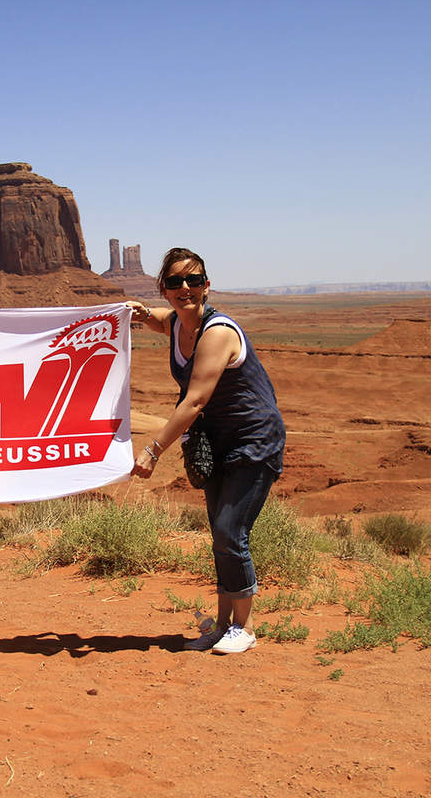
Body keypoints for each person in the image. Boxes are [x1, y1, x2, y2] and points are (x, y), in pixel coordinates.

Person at [128, 247, 285, 654]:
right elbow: (162, 322)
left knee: (232, 531)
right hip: (216, 443)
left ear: (207, 285)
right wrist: (141, 315)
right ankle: (220, 626)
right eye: (176, 282)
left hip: (253, 440)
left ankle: (245, 629)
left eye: (194, 280)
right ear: (164, 289)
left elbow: (195, 400)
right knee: (220, 533)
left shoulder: (216, 333)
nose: (186, 288)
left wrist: (153, 451)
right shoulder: (179, 322)